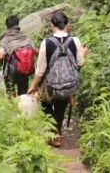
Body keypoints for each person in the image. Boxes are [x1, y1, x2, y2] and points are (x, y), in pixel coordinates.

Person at [28, 11, 87, 147]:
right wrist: (83, 54)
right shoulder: (75, 41)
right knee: (60, 108)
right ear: (68, 24)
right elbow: (79, 63)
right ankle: (57, 134)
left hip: (49, 85)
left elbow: (41, 69)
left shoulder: (46, 43)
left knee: (46, 105)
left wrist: (34, 85)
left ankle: (53, 134)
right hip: (68, 85)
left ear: (51, 25)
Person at [0, 15, 36, 97]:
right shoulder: (25, 37)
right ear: (18, 25)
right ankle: (22, 108)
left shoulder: (6, 39)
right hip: (24, 71)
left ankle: (13, 107)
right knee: (23, 95)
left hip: (11, 74)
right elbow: (36, 51)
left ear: (7, 27)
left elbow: (0, 56)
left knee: (11, 96)